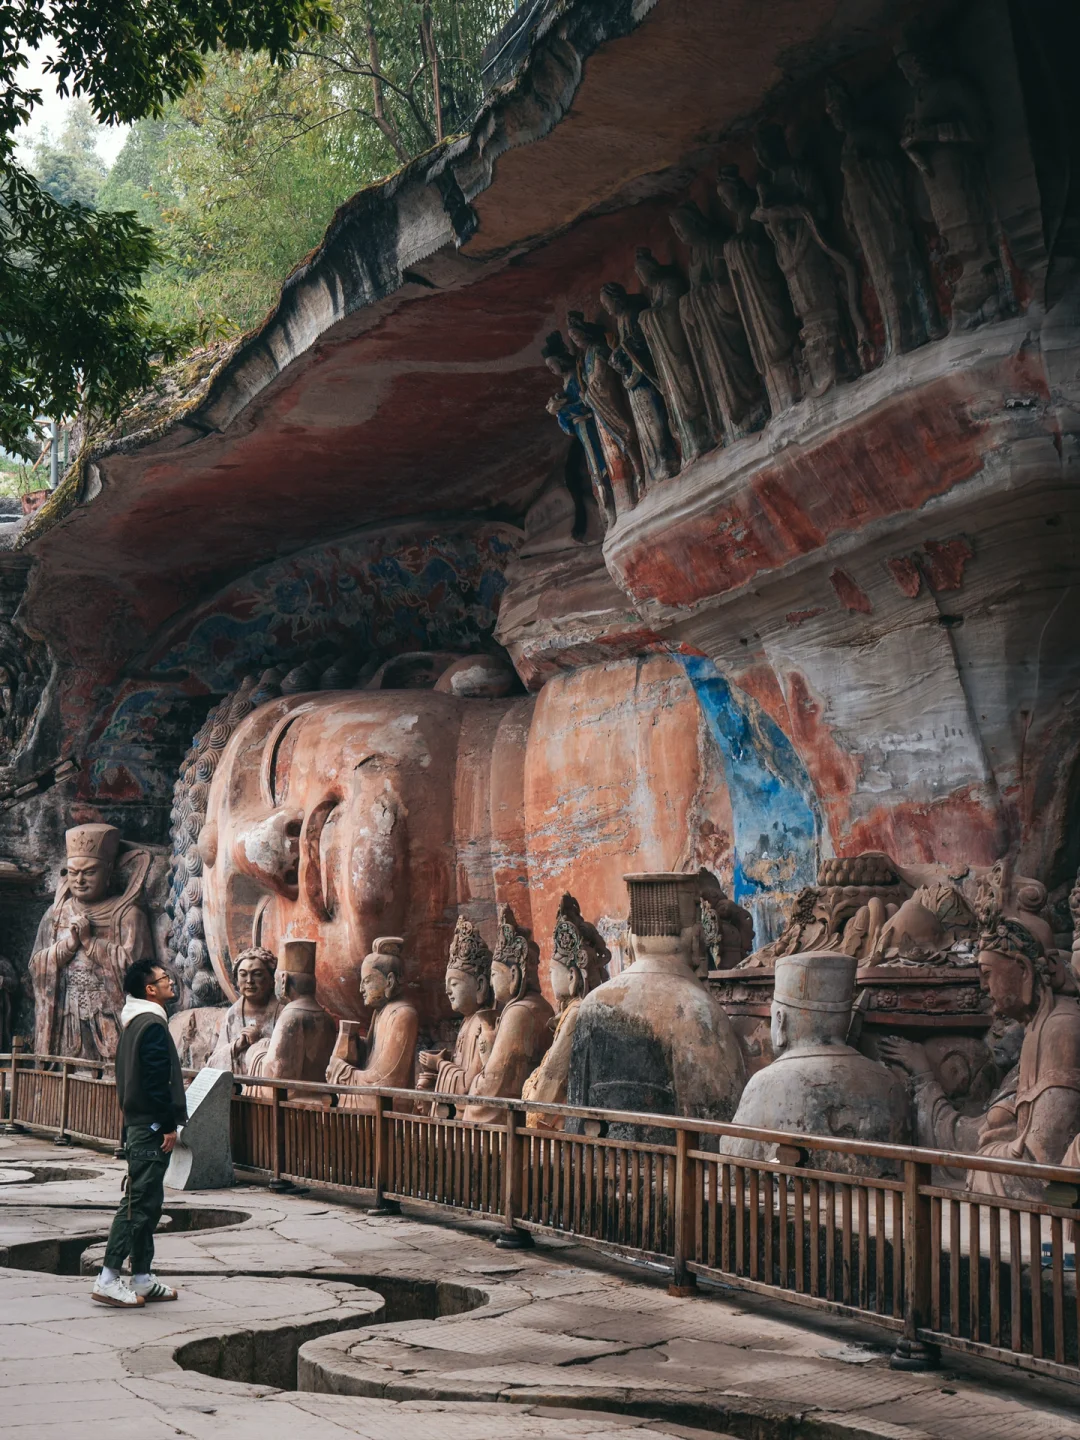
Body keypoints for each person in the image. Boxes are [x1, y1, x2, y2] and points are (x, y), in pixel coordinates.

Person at [91, 958, 187, 1308]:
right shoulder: (152, 1025)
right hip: (151, 1126)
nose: (170, 983)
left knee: (149, 1202)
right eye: (165, 979)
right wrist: (166, 1125)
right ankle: (108, 1278)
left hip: (140, 1125)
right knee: (136, 1204)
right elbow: (156, 1081)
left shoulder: (136, 1023)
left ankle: (143, 1277)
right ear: (150, 989)